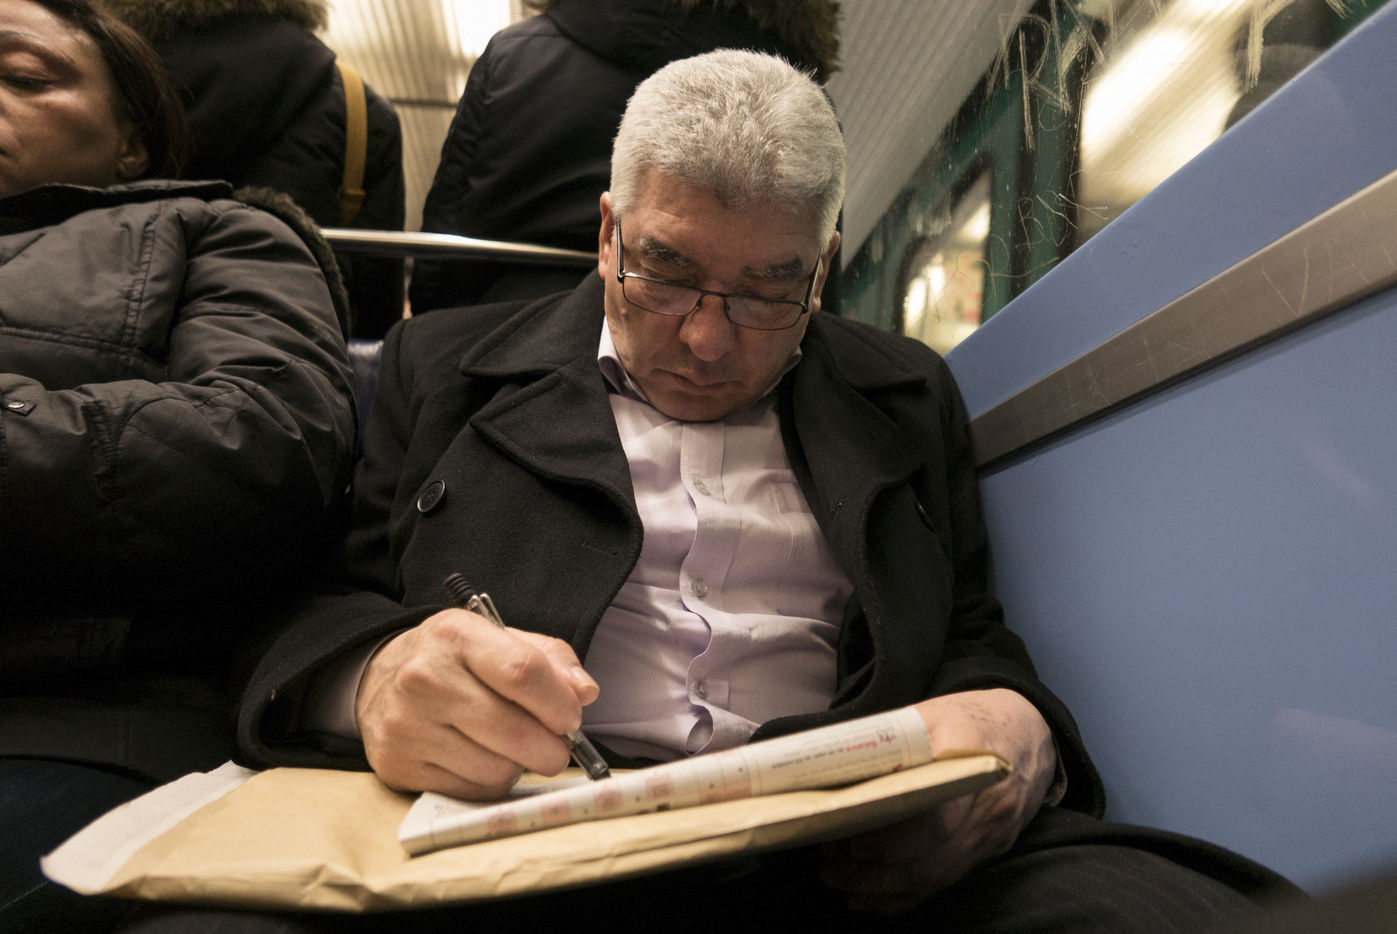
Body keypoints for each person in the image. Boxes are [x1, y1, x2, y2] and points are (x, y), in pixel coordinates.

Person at [226, 50, 1303, 932]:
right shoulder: (444, 368)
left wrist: (1014, 725)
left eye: (766, 294)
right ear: (606, 234)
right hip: (525, 844)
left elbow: (967, 629)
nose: (706, 339)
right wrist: (371, 679)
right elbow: (321, 602)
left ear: (821, 268)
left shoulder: (905, 394)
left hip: (839, 863)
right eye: (663, 273)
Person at [0, 0, 356, 928]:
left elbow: (266, 442)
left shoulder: (216, 230)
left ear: (132, 141)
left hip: (75, 718)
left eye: (24, 76)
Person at [408, 0, 841, 315]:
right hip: (734, 366)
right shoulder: (806, 110)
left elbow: (442, 259)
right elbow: (813, 281)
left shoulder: (517, 55)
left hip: (508, 338)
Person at [100, 0, 408, 340]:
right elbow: (376, 307)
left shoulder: (94, 87)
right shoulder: (360, 109)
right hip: (291, 350)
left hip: (109, 342)